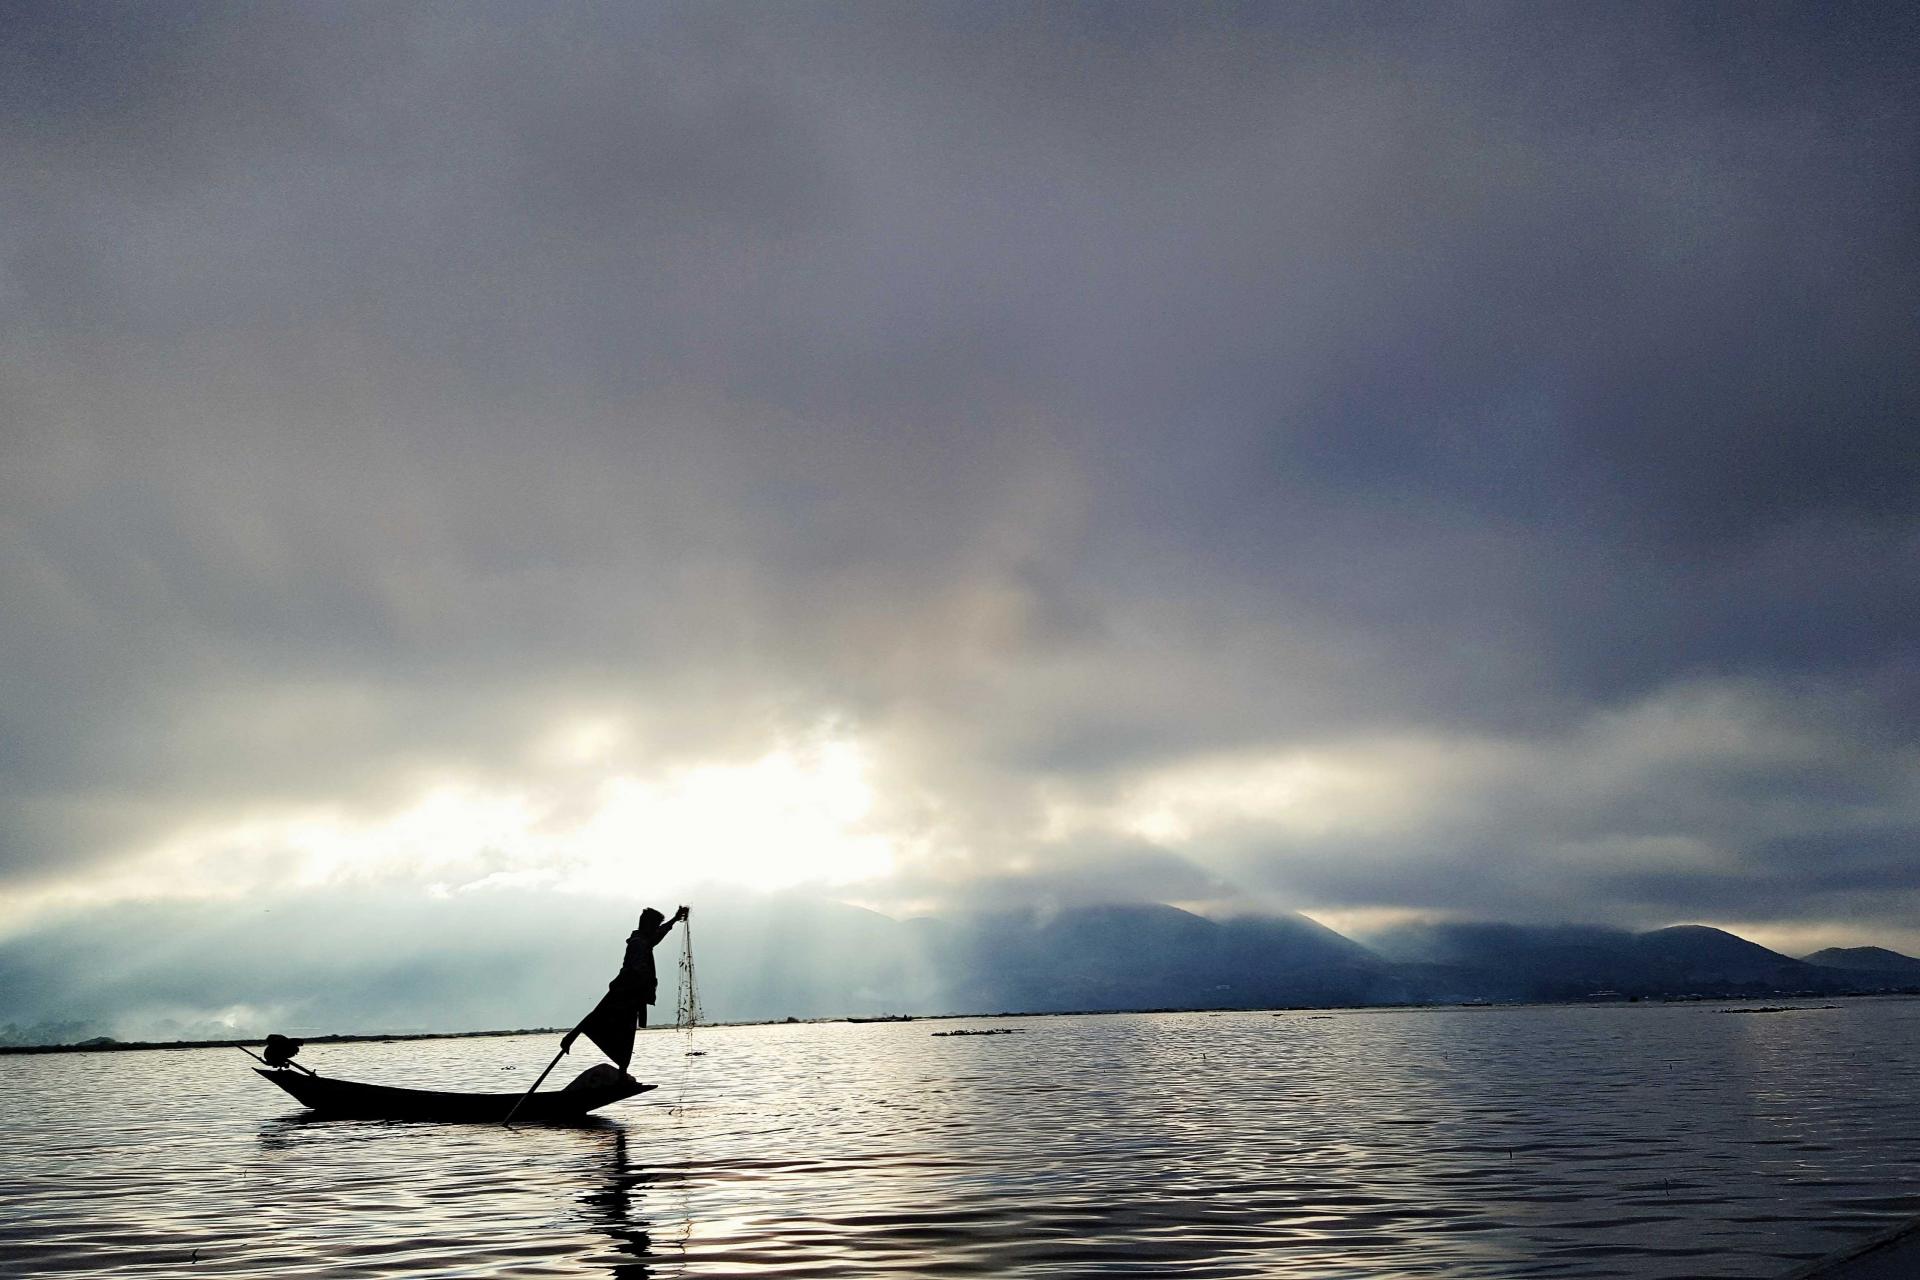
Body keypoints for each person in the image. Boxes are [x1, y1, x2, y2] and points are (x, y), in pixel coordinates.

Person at [562, 905, 689, 1067]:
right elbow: (636, 968)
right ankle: (569, 1040)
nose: (657, 929)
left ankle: (620, 1069)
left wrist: (675, 919)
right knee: (604, 1020)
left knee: (614, 1026)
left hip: (631, 993)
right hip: (625, 990)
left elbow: (658, 934)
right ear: (648, 926)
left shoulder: (644, 940)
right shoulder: (639, 943)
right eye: (655, 926)